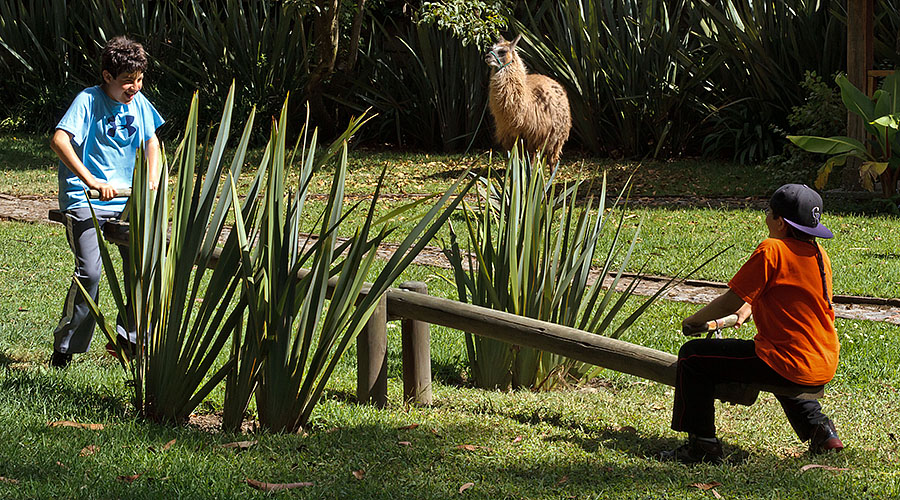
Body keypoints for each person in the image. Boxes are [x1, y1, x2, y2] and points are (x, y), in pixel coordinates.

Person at [661, 184, 844, 464]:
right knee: (781, 363)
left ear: (780, 222)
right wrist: (751, 306)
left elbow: (729, 301)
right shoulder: (818, 254)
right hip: (822, 359)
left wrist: (695, 320)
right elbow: (790, 292)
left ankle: (703, 446)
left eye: (768, 212)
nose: (766, 218)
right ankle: (821, 430)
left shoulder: (772, 248)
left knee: (693, 356)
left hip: (790, 361)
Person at [49, 36, 164, 368]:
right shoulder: (88, 100)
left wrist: (152, 180)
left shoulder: (140, 104)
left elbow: (151, 141)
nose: (135, 87)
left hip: (128, 202)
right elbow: (59, 140)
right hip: (85, 199)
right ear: (107, 76)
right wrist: (92, 180)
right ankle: (66, 348)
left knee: (142, 269)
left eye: (140, 79)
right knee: (90, 274)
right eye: (128, 81)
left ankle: (128, 341)